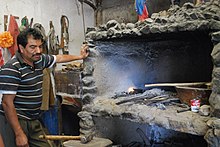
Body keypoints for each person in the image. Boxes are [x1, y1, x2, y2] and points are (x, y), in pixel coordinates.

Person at [0, 28, 89, 147]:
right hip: (15, 121)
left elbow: (59, 58)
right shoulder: (12, 68)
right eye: (32, 47)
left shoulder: (39, 60)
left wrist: (80, 57)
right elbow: (7, 103)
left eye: (40, 46)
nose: (38, 51)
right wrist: (19, 133)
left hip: (33, 118)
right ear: (21, 48)